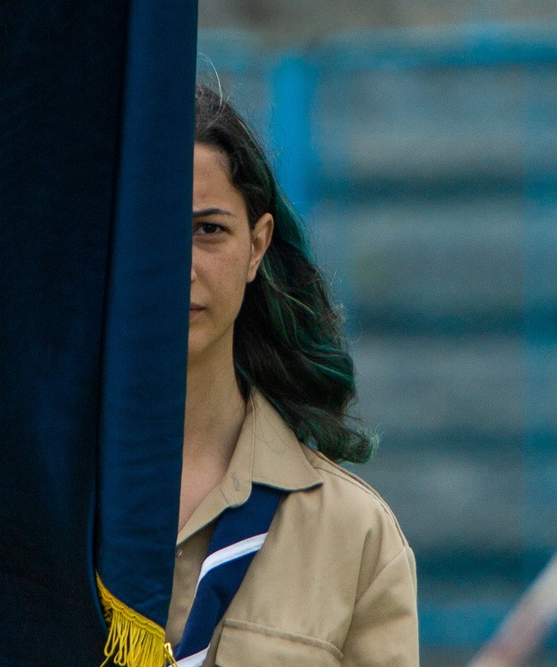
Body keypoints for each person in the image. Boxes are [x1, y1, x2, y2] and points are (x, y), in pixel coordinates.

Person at [167, 85, 418, 666]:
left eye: (209, 230)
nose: (181, 267)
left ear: (257, 246)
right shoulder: (41, 502)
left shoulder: (353, 534)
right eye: (154, 229)